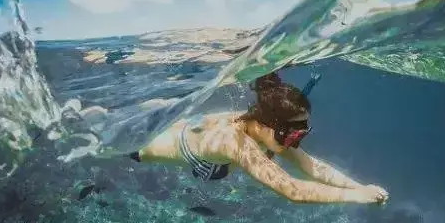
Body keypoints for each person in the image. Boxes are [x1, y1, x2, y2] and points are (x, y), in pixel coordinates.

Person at [129, 72, 389, 206]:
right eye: (293, 134)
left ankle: (148, 110)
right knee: (117, 143)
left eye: (302, 134)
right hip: (145, 145)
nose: (296, 143)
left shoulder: (262, 126)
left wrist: (359, 186)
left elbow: (311, 165)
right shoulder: (234, 141)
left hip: (193, 137)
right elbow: (293, 190)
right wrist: (358, 197)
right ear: (269, 124)